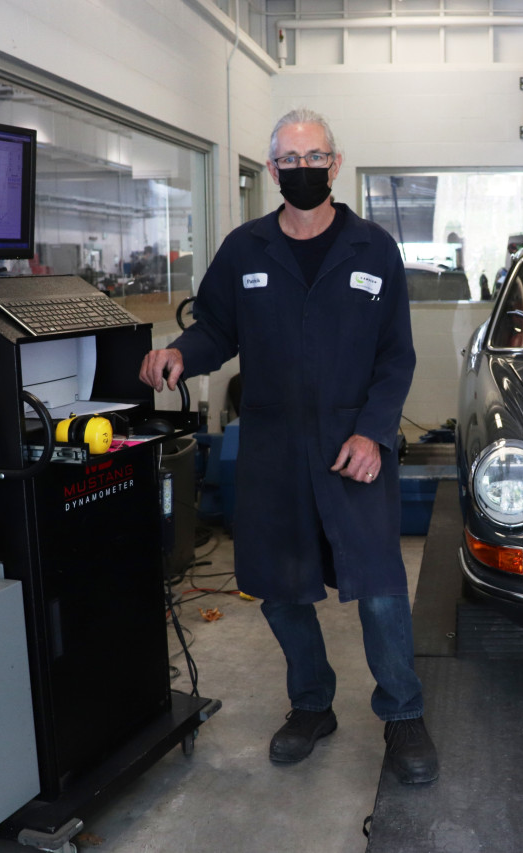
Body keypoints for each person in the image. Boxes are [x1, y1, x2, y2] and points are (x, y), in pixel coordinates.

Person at [138, 108, 437, 785]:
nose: (302, 169)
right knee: (279, 588)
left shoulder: (373, 249)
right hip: (272, 446)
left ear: (334, 164)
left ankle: (404, 713)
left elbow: (396, 358)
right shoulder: (246, 249)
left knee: (381, 587)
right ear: (272, 170)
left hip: (352, 444)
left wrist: (375, 432)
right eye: (289, 159)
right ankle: (312, 703)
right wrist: (181, 354)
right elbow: (215, 327)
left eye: (314, 157)